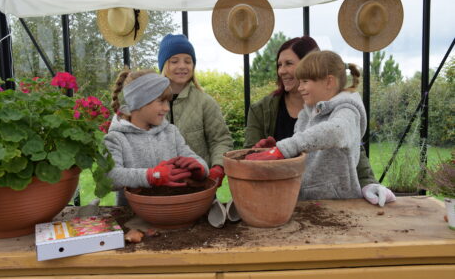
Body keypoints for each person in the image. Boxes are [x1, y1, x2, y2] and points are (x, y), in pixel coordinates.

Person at [246, 50, 395, 205]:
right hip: (308, 202)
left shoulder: (347, 110)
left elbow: (336, 131)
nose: (299, 88)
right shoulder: (306, 115)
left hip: (340, 204)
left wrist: (285, 148)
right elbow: (302, 151)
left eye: (305, 81)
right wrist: (279, 153)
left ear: (328, 82)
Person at [105, 69, 209, 205]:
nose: (167, 108)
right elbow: (110, 177)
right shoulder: (116, 138)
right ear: (139, 102)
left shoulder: (171, 132)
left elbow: (191, 157)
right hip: (132, 215)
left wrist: (200, 169)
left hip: (173, 209)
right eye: (161, 101)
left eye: (167, 102)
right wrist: (152, 176)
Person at [157, 34, 234, 186]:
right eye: (174, 61)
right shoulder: (150, 102)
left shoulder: (205, 102)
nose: (182, 66)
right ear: (164, 65)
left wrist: (217, 167)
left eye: (188, 61)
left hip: (198, 185)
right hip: (160, 186)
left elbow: (221, 140)